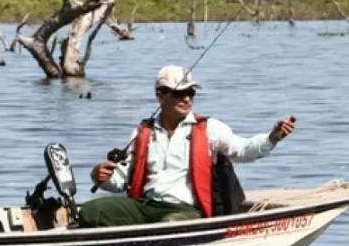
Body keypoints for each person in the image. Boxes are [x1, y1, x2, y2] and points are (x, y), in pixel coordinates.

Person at [79, 65, 297, 228]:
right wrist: (101, 177)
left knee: (171, 224)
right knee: (91, 211)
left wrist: (272, 137)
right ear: (160, 96)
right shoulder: (142, 132)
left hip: (184, 211)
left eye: (191, 93)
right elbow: (121, 181)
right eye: (179, 93)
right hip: (145, 206)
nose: (186, 99)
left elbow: (243, 150)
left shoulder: (210, 128)